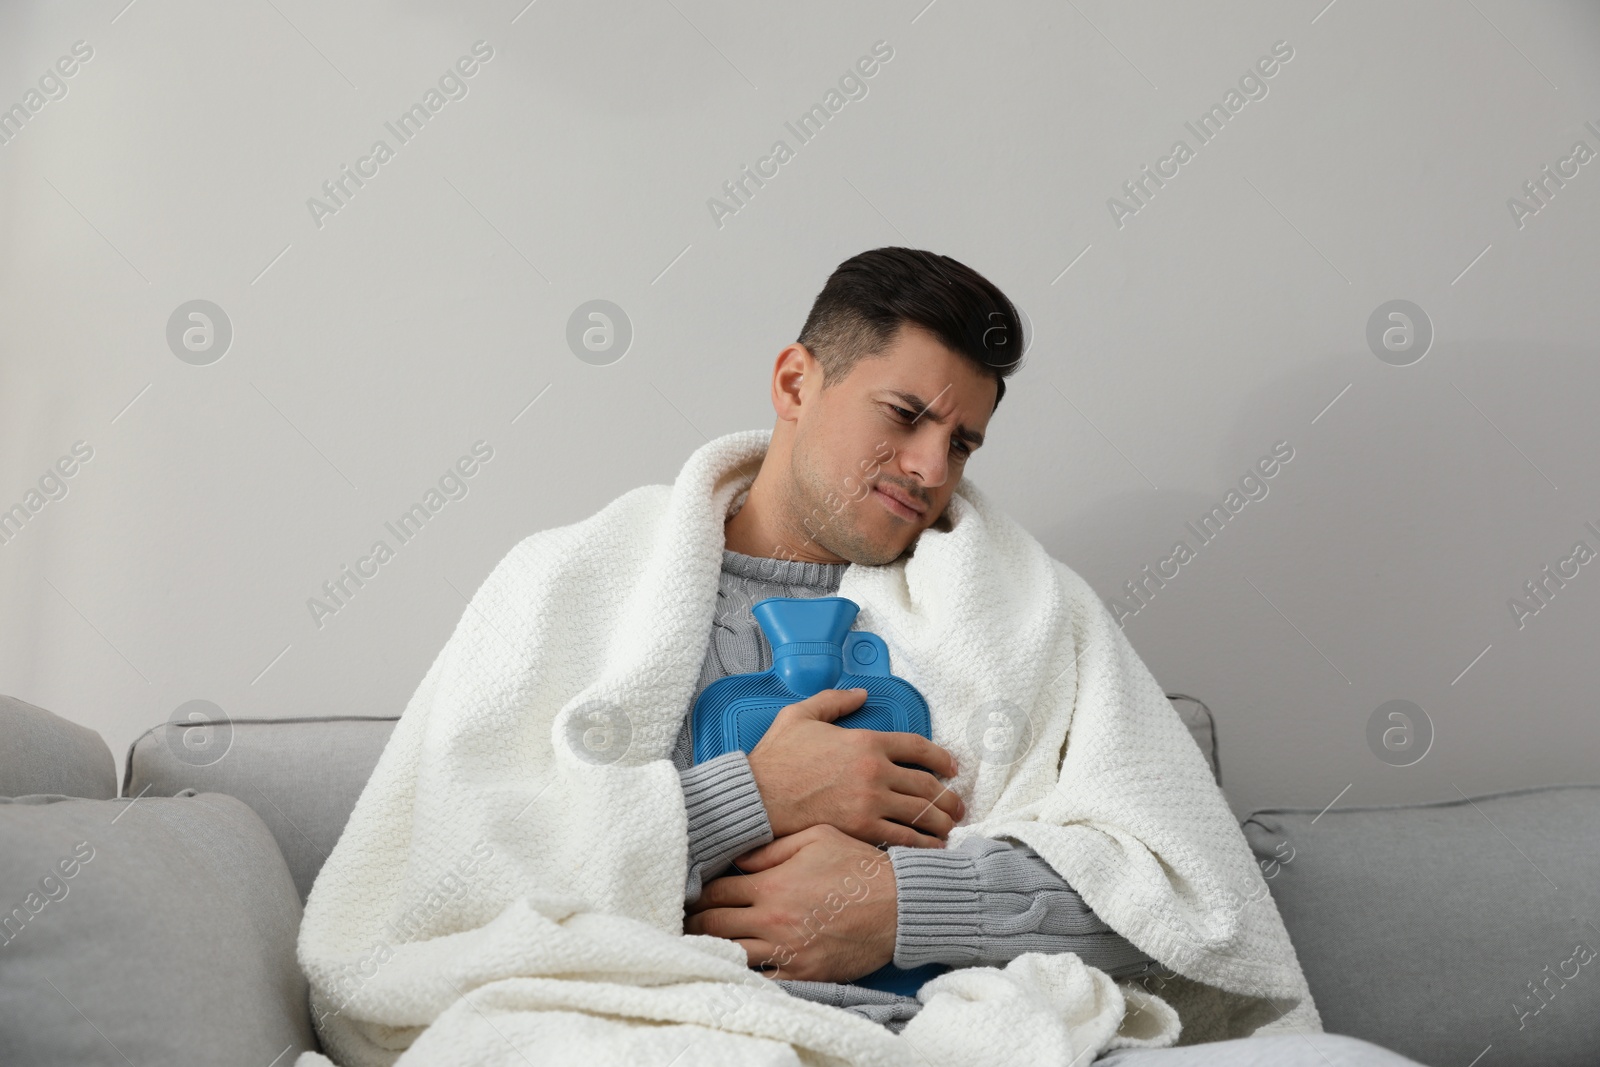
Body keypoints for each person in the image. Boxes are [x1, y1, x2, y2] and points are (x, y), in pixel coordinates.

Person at [673, 246, 1422, 1064]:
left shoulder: (1030, 609)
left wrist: (902, 905)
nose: (930, 469)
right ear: (794, 383)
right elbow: (522, 862)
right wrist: (749, 795)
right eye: (903, 414)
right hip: (690, 1027)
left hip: (979, 1032)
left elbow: (1179, 898)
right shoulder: (597, 596)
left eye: (961, 443)